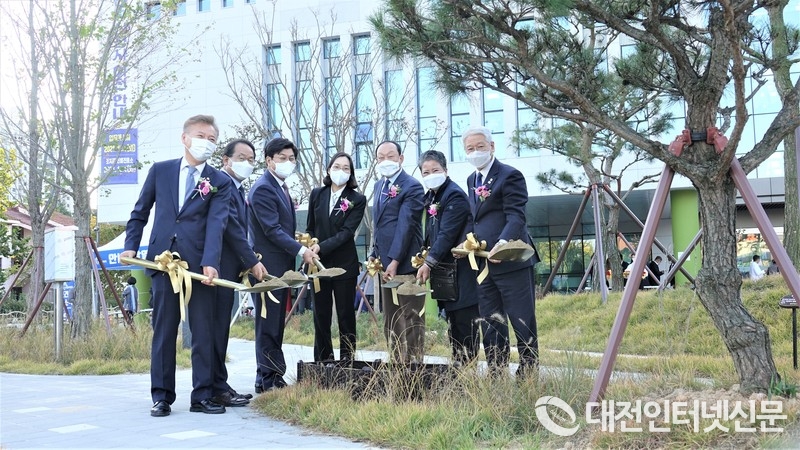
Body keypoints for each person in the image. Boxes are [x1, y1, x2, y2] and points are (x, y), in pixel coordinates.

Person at [122, 114, 232, 417]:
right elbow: (140, 212)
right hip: (163, 263)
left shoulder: (219, 181)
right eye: (200, 136)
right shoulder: (161, 171)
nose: (206, 143)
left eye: (212, 139)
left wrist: (210, 262)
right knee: (164, 331)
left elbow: (217, 224)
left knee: (203, 331)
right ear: (185, 138)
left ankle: (202, 396)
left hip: (199, 267)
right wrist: (131, 244)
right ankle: (161, 396)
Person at [456, 126, 538, 378]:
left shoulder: (510, 175)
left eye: (480, 146)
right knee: (491, 321)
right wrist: (465, 244)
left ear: (492, 146)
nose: (475, 152)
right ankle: (496, 370)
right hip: (483, 264)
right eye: (470, 148)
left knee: (521, 319)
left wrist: (502, 243)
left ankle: (528, 372)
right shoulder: (471, 180)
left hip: (511, 260)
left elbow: (516, 216)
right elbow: (475, 219)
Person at [249, 137, 317, 393]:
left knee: (275, 322)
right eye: (282, 158)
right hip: (267, 268)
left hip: (280, 266)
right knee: (268, 322)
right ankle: (268, 378)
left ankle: (269, 375)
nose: (288, 163)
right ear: (269, 160)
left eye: (291, 159)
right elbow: (272, 229)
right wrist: (301, 250)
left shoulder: (281, 187)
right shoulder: (264, 188)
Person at [212, 139, 268, 407]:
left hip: (230, 268)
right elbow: (232, 228)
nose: (247, 163)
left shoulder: (237, 187)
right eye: (242, 158)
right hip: (218, 267)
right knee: (215, 330)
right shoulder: (222, 184)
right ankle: (215, 388)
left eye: (251, 159)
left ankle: (220, 384)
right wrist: (252, 260)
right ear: (226, 159)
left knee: (221, 329)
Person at [415, 150, 482, 365]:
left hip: (461, 272)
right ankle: (459, 369)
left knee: (465, 325)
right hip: (447, 274)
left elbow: (447, 234)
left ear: (445, 170)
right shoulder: (433, 197)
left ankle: (468, 370)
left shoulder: (453, 195)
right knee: (454, 326)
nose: (431, 175)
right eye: (426, 172)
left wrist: (429, 262)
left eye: (435, 170)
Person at [307, 152, 366, 362]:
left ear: (351, 173)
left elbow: (347, 233)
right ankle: (323, 360)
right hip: (317, 264)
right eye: (337, 166)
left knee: (345, 315)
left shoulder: (357, 199)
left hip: (343, 265)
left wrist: (320, 247)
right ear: (329, 169)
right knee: (320, 315)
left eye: (346, 168)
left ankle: (347, 361)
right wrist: (310, 246)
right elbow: (310, 227)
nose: (341, 171)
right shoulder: (317, 194)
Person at [369, 140, 425, 363]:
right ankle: (396, 364)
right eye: (381, 157)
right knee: (391, 318)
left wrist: (394, 260)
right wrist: (375, 253)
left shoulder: (412, 186)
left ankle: (413, 366)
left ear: (400, 158)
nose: (386, 161)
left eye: (390, 156)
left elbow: (405, 226)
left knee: (411, 317)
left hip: (405, 263)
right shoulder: (378, 186)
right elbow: (379, 225)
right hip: (386, 266)